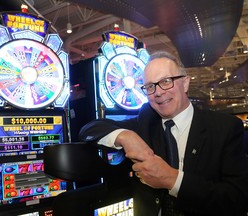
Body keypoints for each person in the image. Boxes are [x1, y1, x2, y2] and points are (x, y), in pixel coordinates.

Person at [79, 50, 248, 215]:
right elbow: (90, 129)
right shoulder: (146, 122)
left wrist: (173, 180)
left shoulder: (224, 127)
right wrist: (125, 136)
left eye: (166, 81)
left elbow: (237, 199)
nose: (158, 92)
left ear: (185, 83)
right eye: (150, 86)